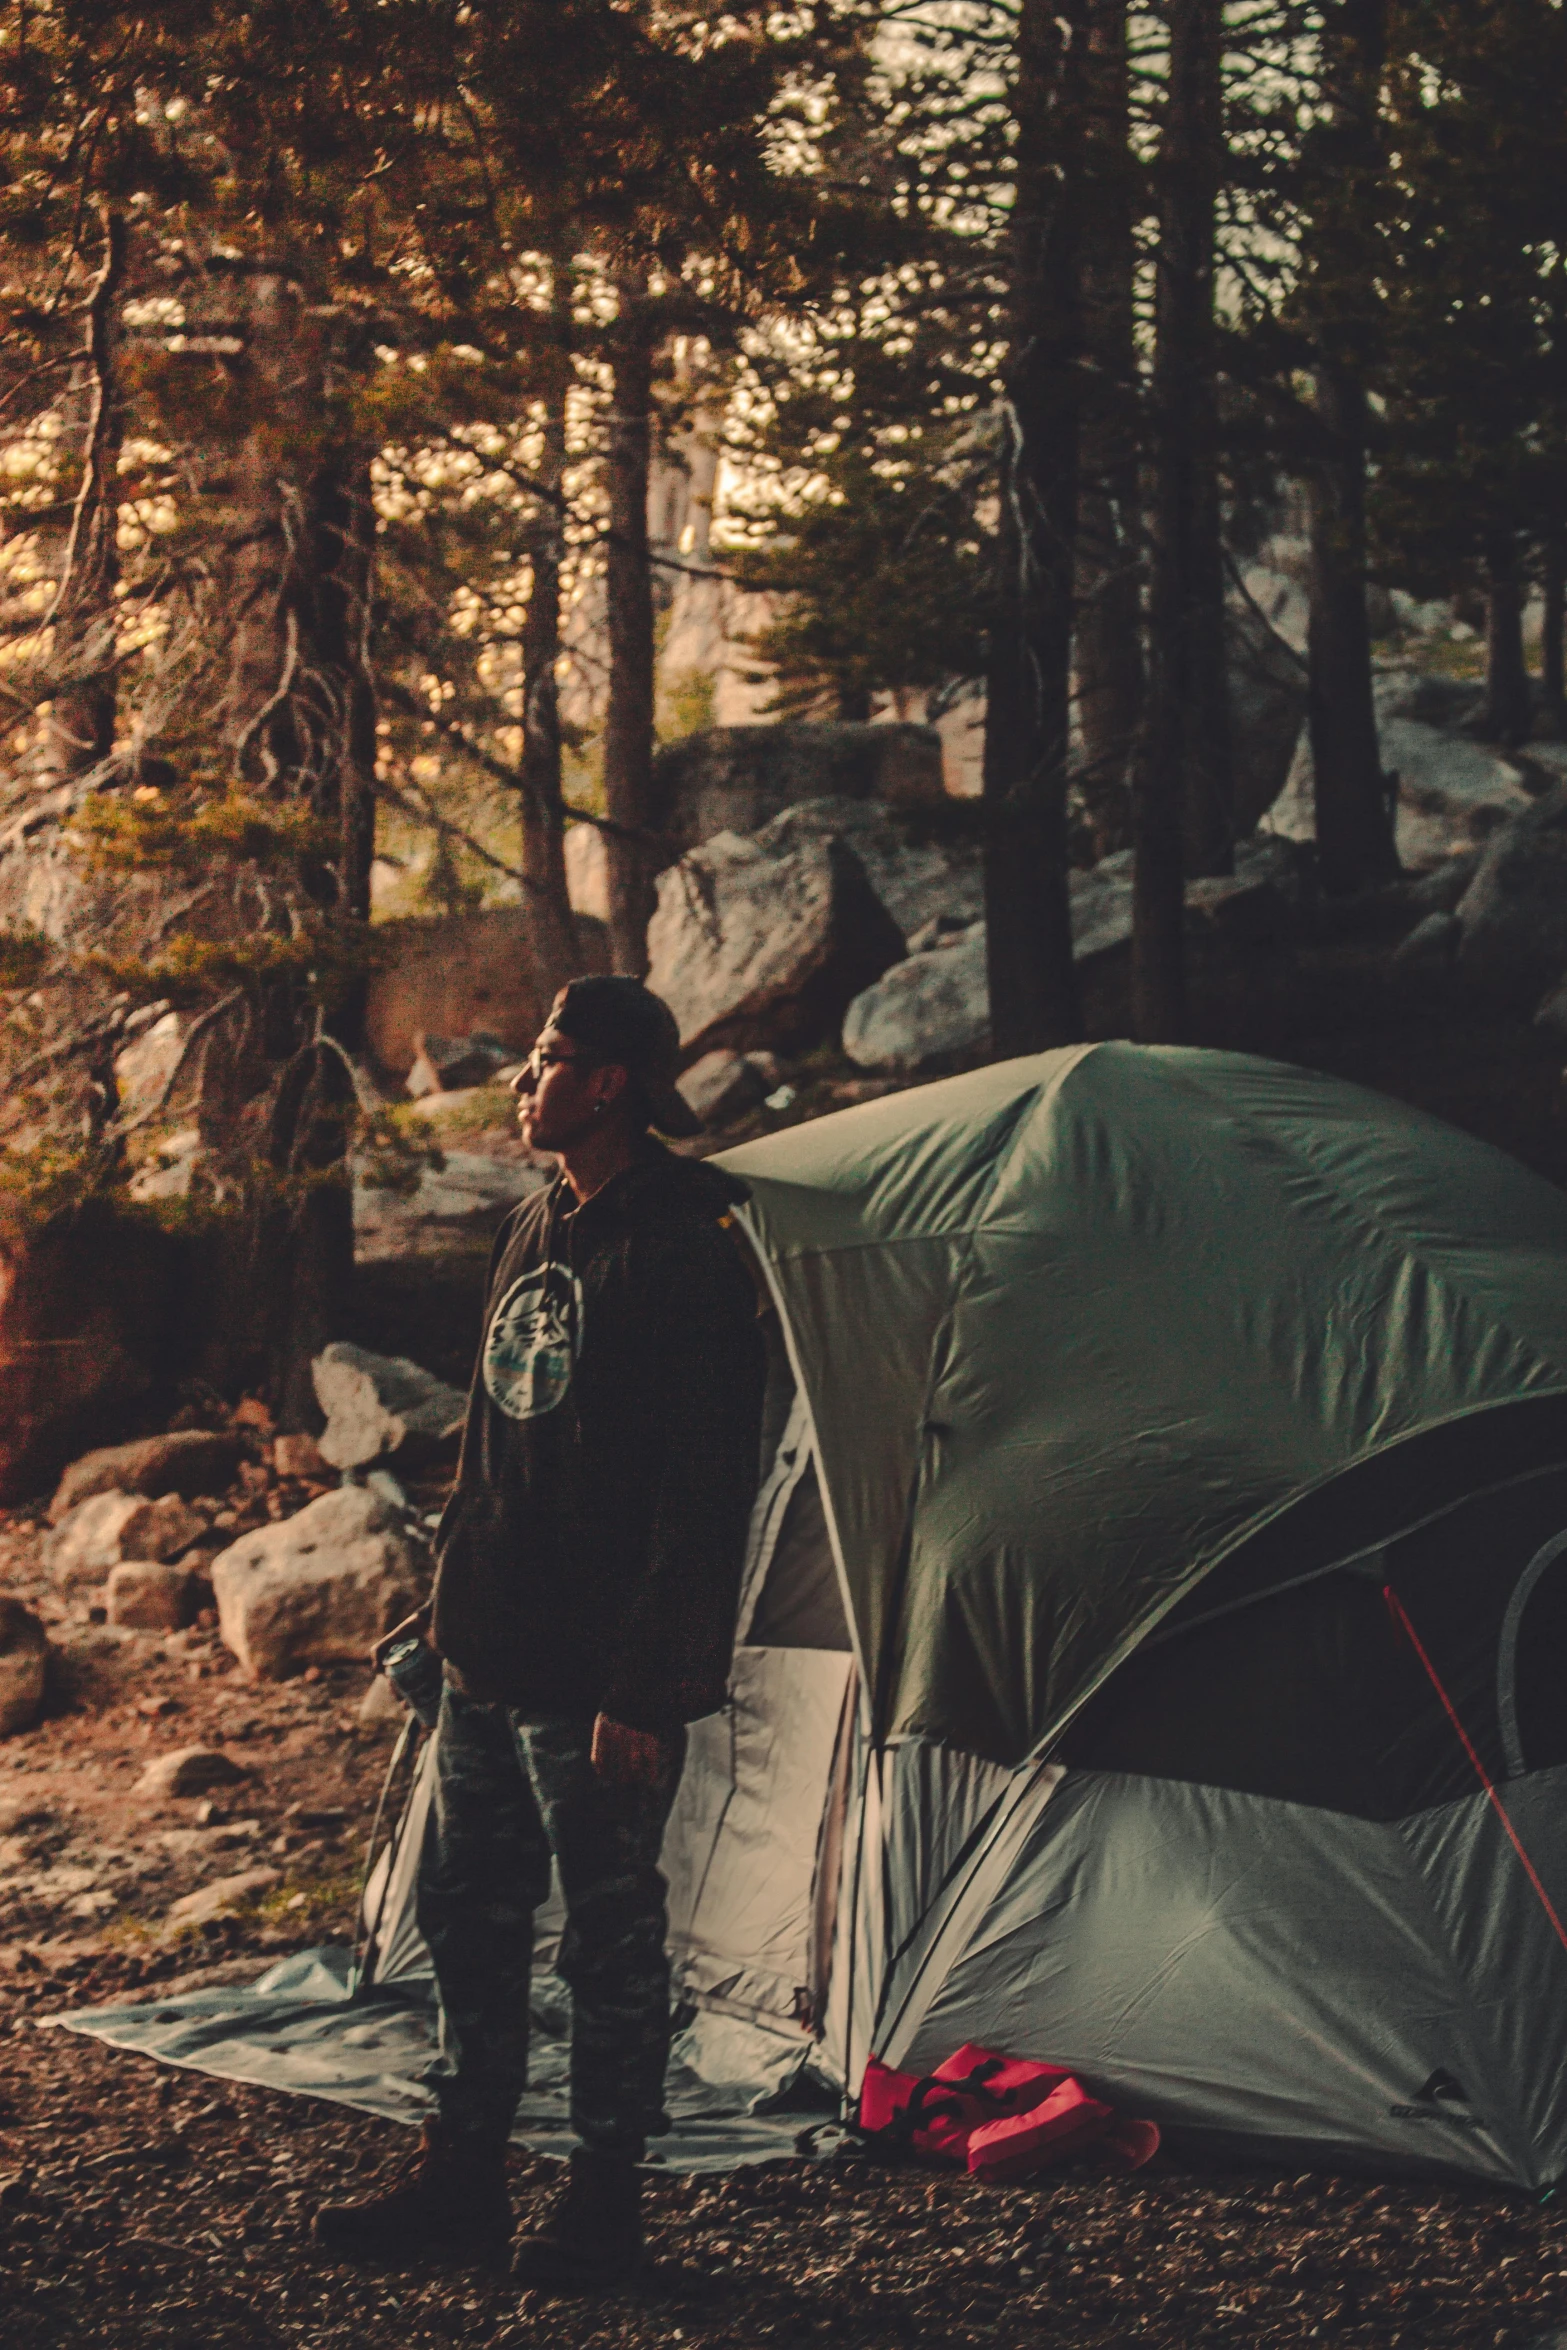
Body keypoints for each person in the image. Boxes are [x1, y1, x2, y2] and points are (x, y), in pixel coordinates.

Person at [316, 977, 767, 2289]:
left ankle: (600, 2201)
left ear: (611, 1082)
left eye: (548, 1058)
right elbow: (498, 1442)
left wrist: (649, 1683)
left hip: (595, 1680)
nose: (524, 1079)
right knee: (467, 1911)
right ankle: (460, 2176)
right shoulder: (530, 1225)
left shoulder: (685, 1244)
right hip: (485, 1659)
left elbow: (704, 1488)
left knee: (609, 1939)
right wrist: (442, 1616)